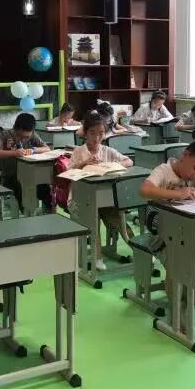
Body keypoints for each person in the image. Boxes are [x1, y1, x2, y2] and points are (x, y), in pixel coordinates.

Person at [140, 139, 195, 304]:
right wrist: (178, 194)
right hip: (163, 235)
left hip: (190, 233)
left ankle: (189, 288)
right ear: (185, 155)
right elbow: (145, 190)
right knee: (176, 290)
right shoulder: (164, 170)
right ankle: (179, 297)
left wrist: (191, 195)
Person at [69, 114, 134, 271]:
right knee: (93, 219)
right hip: (81, 199)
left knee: (119, 219)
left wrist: (112, 165)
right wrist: (84, 163)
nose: (97, 137)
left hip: (106, 200)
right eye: (92, 133)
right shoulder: (78, 151)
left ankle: (140, 250)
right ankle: (96, 256)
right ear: (85, 133)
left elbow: (129, 161)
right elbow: (69, 171)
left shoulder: (107, 151)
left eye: (101, 133)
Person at [0, 113, 51, 212]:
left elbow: (47, 149)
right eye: (21, 136)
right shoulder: (5, 135)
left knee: (45, 189)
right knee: (23, 195)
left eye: (27, 137)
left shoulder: (32, 135)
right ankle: (25, 213)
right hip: (11, 175)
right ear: (16, 129)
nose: (24, 139)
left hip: (30, 174)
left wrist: (33, 150)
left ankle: (49, 213)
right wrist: (14, 153)